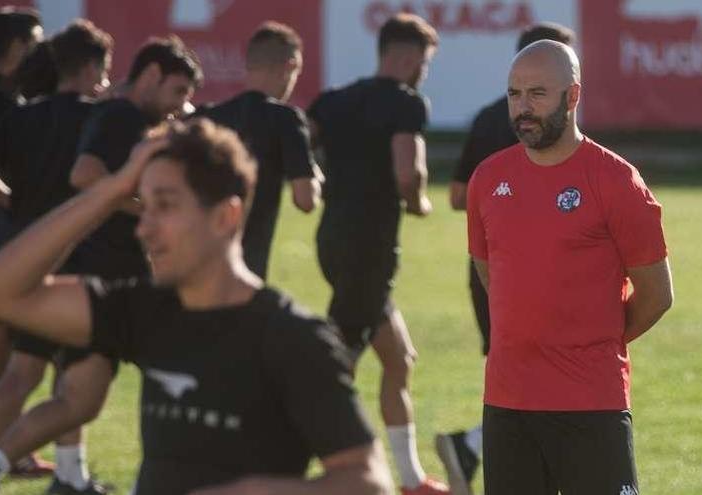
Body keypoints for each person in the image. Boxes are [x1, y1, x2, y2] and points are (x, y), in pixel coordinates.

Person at [0, 118, 394, 495]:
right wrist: (113, 189)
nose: (145, 229)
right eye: (144, 205)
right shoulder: (145, 310)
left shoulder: (293, 336)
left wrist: (248, 492)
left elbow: (367, 481)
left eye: (167, 206)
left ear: (225, 216)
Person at [0, 35, 202, 495]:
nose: (183, 105)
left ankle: (0, 466)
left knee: (76, 397)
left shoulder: (106, 114)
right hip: (107, 280)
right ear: (153, 76)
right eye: (179, 92)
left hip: (86, 270)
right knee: (176, 377)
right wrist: (151, 210)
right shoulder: (121, 115)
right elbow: (85, 174)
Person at [466, 40, 673, 495]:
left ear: (572, 97)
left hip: (590, 403)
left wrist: (593, 339)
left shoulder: (616, 181)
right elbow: (490, 276)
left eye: (537, 94)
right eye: (514, 94)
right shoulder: (486, 180)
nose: (523, 108)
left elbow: (658, 295)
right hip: (507, 404)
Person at [0, 20, 114, 495]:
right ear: (92, 67)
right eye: (105, 68)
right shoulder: (103, 118)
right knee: (73, 377)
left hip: (30, 260)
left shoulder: (23, 115)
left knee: (21, 371)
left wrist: (10, 199)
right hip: (83, 258)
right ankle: (68, 476)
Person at [307, 13, 447, 495]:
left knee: (398, 358)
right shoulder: (406, 103)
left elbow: (301, 146)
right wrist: (418, 203)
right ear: (406, 56)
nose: (423, 71)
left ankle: (410, 479)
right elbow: (407, 173)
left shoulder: (334, 100)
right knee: (334, 370)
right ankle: (280, 461)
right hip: (370, 246)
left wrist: (327, 185)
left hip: (332, 239)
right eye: (423, 61)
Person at [435, 22, 576, 495]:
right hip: (516, 271)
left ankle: (472, 447)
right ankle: (474, 446)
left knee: (516, 376)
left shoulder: (484, 118)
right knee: (534, 379)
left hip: (490, 269)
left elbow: (455, 195)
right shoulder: (557, 127)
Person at [195, 21, 320, 280]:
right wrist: (315, 175)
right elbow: (305, 199)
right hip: (245, 264)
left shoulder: (208, 117)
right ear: (291, 66)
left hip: (196, 255)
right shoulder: (285, 119)